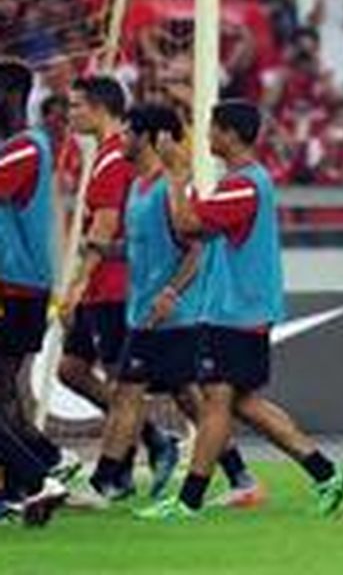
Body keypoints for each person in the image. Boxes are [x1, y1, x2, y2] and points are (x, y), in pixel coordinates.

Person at [136, 100, 343, 519]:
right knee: (242, 402)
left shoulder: (243, 186)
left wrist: (177, 175)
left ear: (230, 135)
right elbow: (198, 225)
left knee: (216, 401)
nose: (206, 136)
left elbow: (185, 226)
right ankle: (325, 472)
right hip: (239, 309)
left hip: (236, 310)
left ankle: (189, 500)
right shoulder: (244, 182)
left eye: (212, 128)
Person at [77, 104, 260, 509]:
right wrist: (107, 250)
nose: (121, 140)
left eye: (127, 133)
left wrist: (172, 292)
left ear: (150, 138)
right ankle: (240, 476)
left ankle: (103, 484)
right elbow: (144, 249)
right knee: (187, 397)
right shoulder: (139, 188)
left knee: (128, 394)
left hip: (172, 316)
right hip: (145, 313)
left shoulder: (171, 189)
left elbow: (196, 248)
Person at [57, 76, 178, 498]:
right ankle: (153, 440)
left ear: (98, 109)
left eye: (75, 106)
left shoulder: (113, 160)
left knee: (128, 383)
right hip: (104, 287)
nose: (69, 115)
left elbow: (105, 225)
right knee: (71, 370)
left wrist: (76, 284)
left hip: (112, 286)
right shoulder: (108, 157)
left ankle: (116, 474)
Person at [0, 59, 72, 499]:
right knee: (6, 393)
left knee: (4, 390)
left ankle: (36, 478)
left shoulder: (26, 148)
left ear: (9, 95)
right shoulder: (18, 146)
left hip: (15, 285)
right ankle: (46, 468)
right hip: (15, 285)